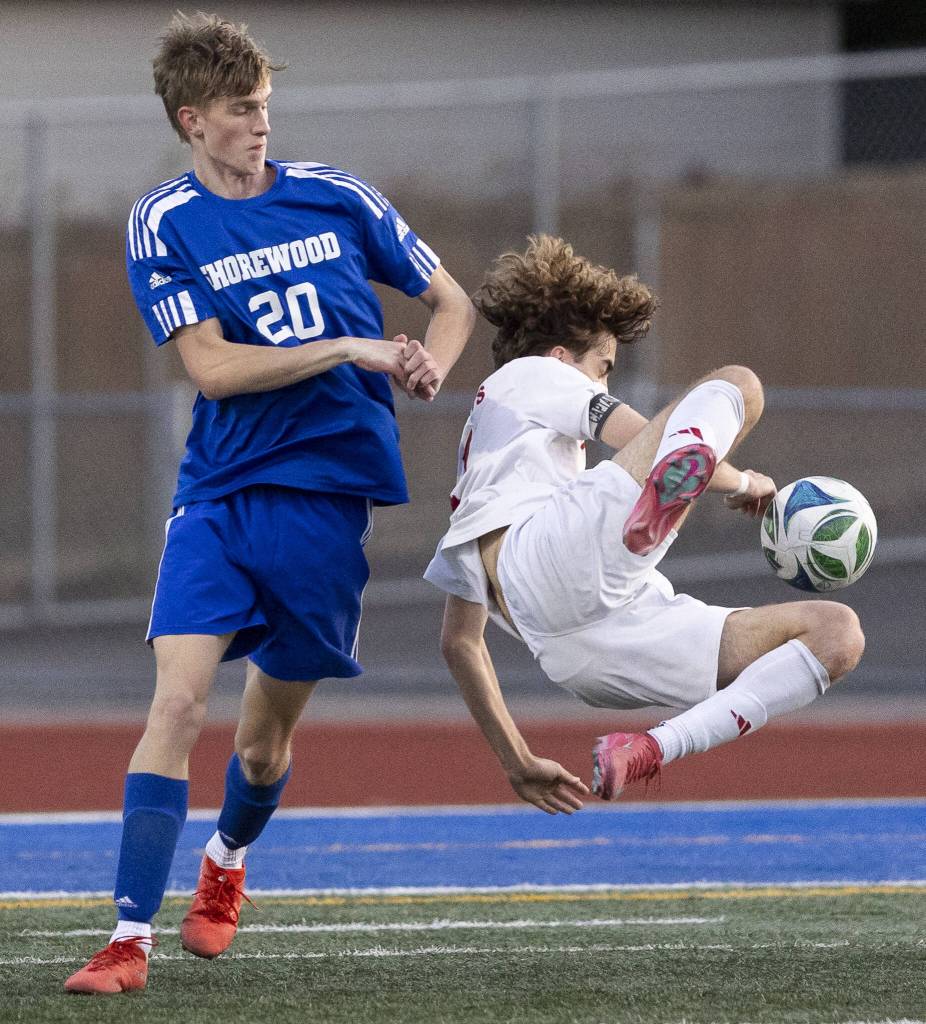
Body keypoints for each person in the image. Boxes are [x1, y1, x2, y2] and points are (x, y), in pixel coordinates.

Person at [65, 12, 474, 995]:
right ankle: (127, 939)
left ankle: (228, 864)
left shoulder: (336, 199)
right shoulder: (164, 222)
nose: (261, 124)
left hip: (326, 503)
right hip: (218, 496)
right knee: (176, 701)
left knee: (261, 743)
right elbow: (208, 368)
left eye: (267, 106)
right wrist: (345, 346)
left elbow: (452, 305)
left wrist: (426, 367)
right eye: (243, 110)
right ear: (191, 118)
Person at [424, 234, 864, 817]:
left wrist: (517, 761)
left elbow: (460, 641)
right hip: (560, 566)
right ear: (561, 357)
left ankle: (648, 748)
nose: (602, 384)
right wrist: (746, 482)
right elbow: (634, 433)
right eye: (602, 368)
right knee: (738, 385)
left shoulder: (487, 473)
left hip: (577, 644)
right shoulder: (529, 374)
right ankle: (651, 517)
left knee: (836, 635)